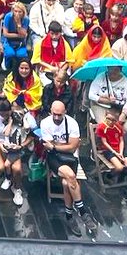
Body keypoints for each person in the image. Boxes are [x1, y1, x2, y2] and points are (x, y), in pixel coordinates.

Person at [38, 100, 93, 236]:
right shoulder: (45, 123)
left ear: (65, 113)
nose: (56, 118)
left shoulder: (72, 123)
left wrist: (56, 145)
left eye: (59, 115)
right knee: (70, 176)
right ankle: (82, 210)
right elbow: (50, 146)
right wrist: (64, 145)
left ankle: (69, 215)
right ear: (51, 111)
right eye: (54, 114)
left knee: (66, 183)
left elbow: (73, 147)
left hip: (69, 156)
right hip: (54, 158)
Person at [0, 97, 34, 206]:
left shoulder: (17, 116)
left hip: (13, 146)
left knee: (17, 169)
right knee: (0, 166)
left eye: (6, 114)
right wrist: (0, 145)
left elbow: (30, 135)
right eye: (2, 114)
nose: (4, 116)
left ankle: (17, 188)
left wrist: (20, 145)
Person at [94, 107, 127, 181]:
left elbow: (121, 141)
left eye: (113, 120)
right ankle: (109, 176)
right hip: (108, 150)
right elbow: (104, 142)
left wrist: (120, 152)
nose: (110, 122)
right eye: (108, 119)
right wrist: (115, 152)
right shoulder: (102, 127)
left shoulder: (118, 127)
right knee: (119, 167)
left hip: (120, 149)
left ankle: (122, 177)